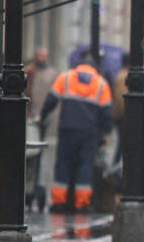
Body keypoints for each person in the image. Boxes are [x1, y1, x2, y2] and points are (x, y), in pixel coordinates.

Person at [38, 56, 113, 213]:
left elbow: (51, 100)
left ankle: (59, 202)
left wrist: (42, 116)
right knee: (85, 166)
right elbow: (106, 113)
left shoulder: (65, 78)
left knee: (63, 165)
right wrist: (106, 132)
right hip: (89, 132)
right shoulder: (101, 84)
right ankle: (82, 203)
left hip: (67, 129)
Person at [25, 47, 58, 124]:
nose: (42, 58)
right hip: (31, 110)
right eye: (40, 55)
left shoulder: (52, 73)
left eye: (44, 56)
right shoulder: (29, 71)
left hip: (46, 110)